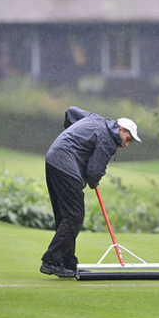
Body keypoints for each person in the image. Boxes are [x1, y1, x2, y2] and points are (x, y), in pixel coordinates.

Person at [40, 106, 141, 278]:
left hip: (52, 159)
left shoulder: (96, 119)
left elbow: (71, 112)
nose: (126, 144)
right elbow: (94, 172)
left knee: (66, 216)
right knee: (74, 216)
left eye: (129, 141)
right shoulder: (109, 139)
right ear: (120, 129)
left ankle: (67, 261)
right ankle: (51, 261)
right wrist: (94, 181)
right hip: (65, 166)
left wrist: (75, 137)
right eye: (127, 138)